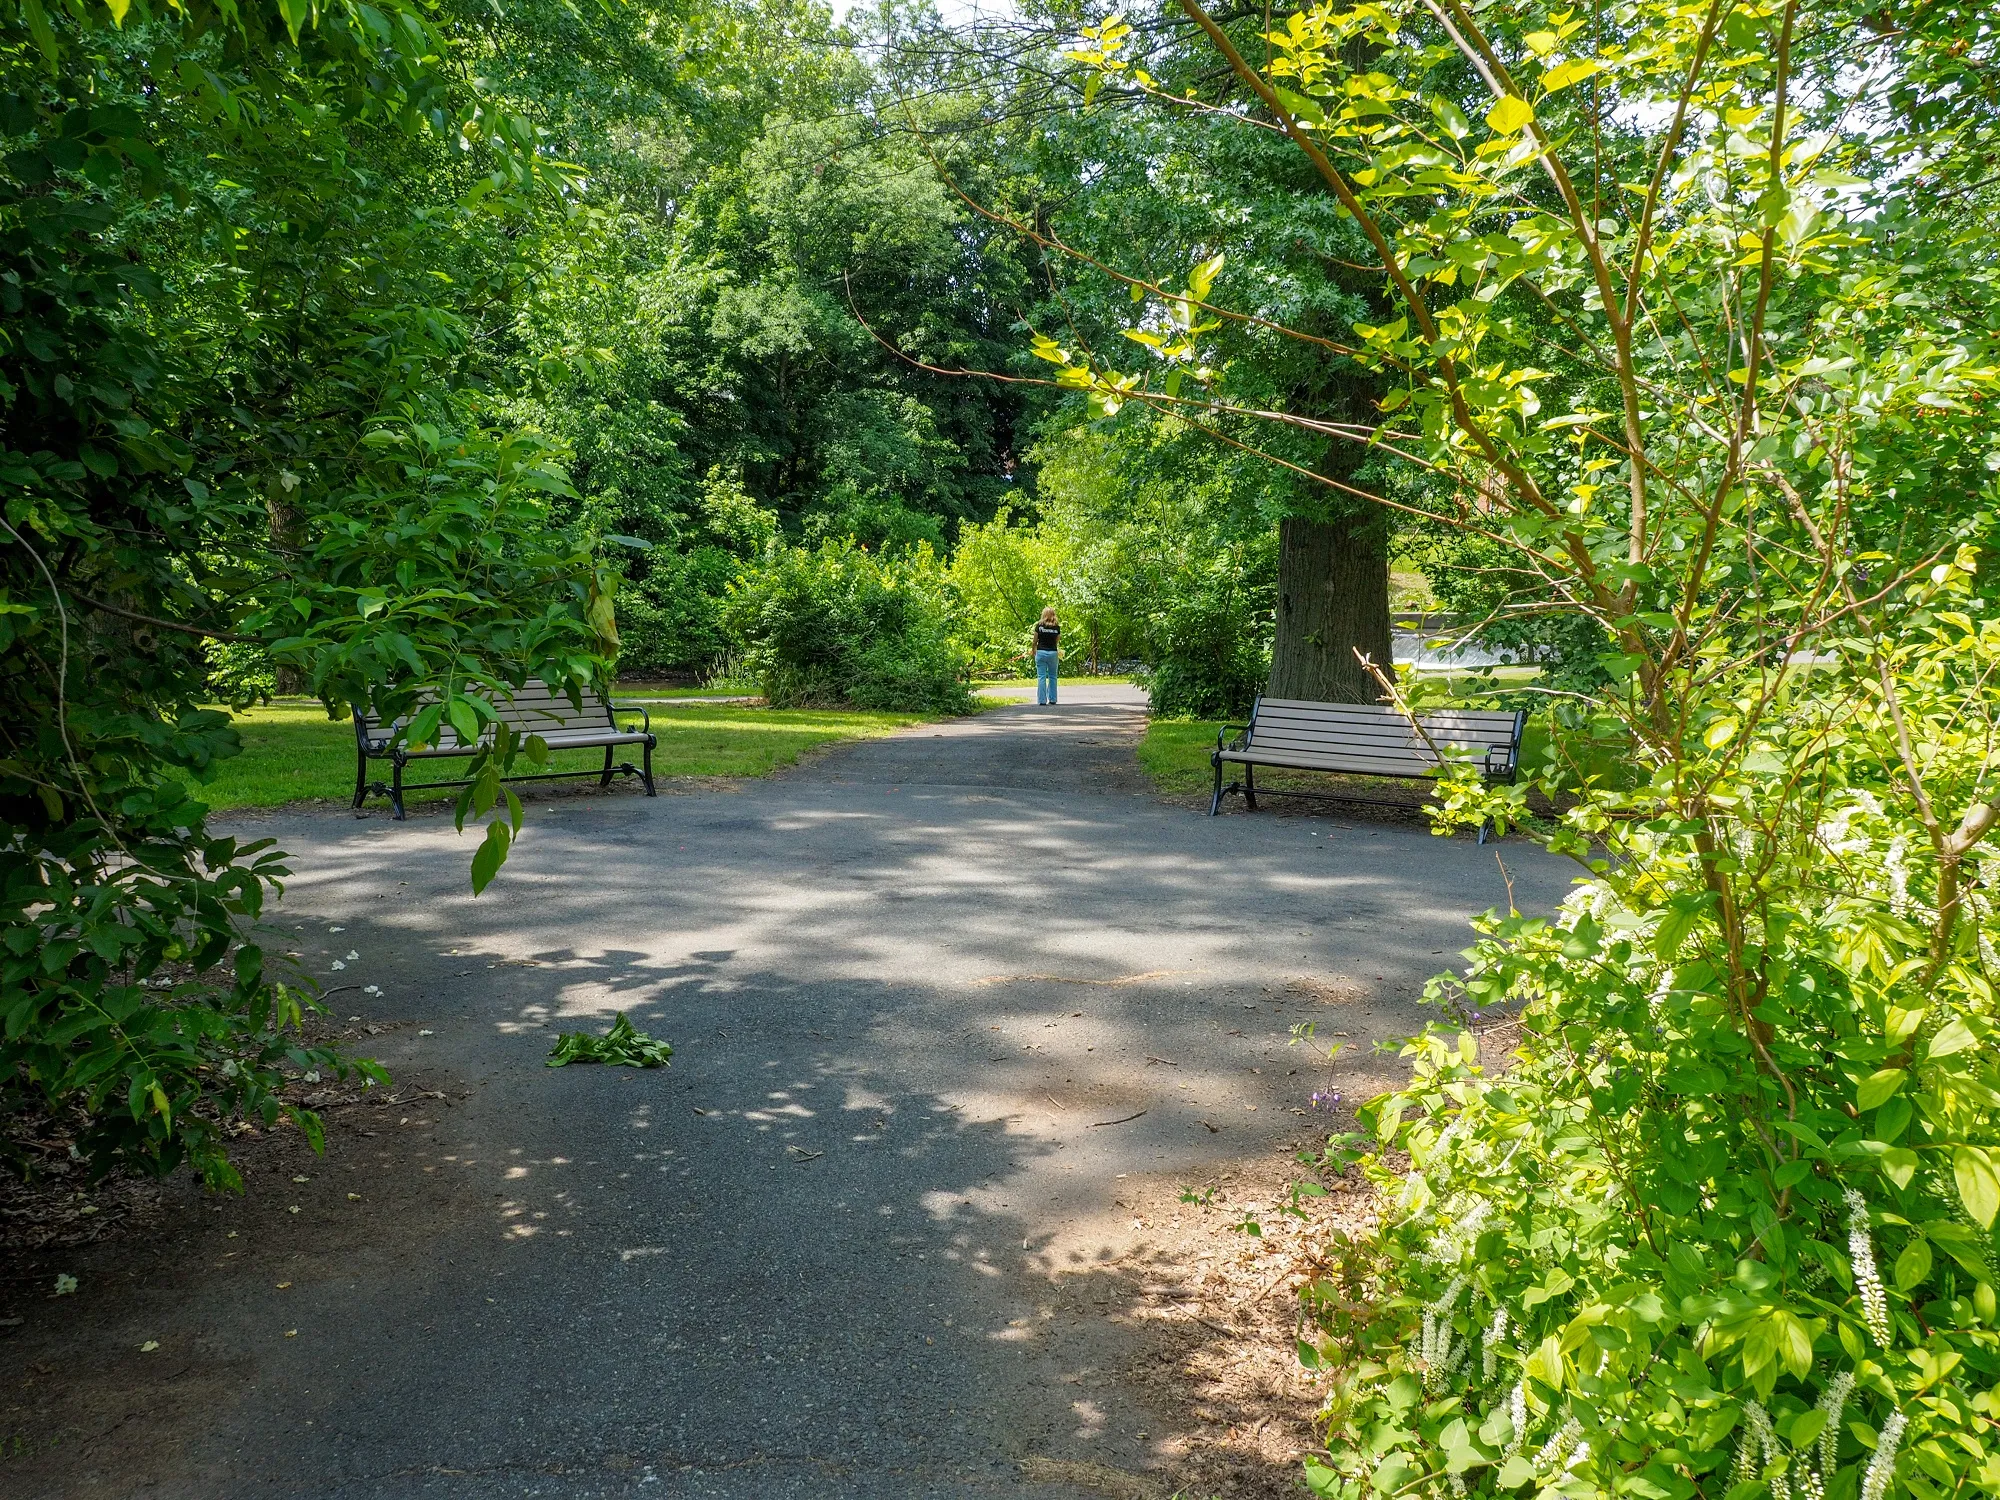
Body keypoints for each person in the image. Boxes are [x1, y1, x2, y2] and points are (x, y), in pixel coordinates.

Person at [1033, 607, 1061, 705]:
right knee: (1053, 676)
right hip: (1053, 653)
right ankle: (1053, 699)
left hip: (1041, 652)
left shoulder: (1039, 626)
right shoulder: (1057, 627)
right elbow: (1057, 640)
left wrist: (1033, 650)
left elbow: (1035, 640)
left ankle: (1042, 700)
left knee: (1041, 676)